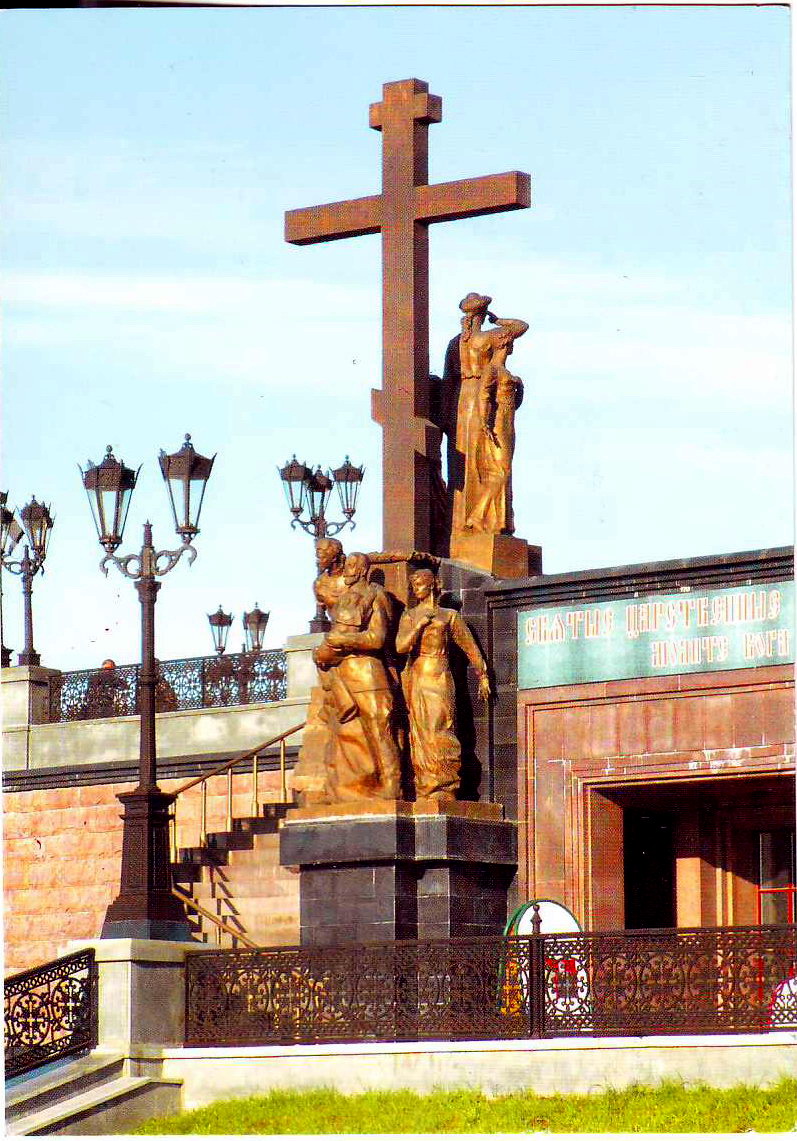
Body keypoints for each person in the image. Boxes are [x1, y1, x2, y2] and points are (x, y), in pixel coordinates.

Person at [313, 552, 402, 801]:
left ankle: (392, 784)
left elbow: (377, 638)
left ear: (362, 570)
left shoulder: (376, 595)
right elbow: (335, 636)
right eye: (347, 565)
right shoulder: (344, 599)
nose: (347, 570)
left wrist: (344, 641)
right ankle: (349, 788)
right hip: (344, 673)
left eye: (352, 566)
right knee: (346, 735)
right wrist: (323, 653)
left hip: (368, 674)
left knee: (380, 732)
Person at [396, 568, 491, 800]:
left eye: (419, 583)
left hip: (440, 675)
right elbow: (401, 647)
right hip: (419, 677)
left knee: (441, 726)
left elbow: (469, 646)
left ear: (432, 585)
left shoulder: (448, 616)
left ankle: (445, 784)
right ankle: (426, 786)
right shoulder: (410, 616)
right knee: (422, 733)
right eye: (413, 585)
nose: (415, 589)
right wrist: (419, 625)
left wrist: (483, 675)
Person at [465, 315, 529, 534]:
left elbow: (515, 404)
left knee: (506, 472)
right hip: (497, 424)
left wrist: (520, 389)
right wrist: (484, 422)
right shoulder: (491, 371)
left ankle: (501, 522)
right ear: (503, 344)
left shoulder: (506, 373)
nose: (512, 345)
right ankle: (477, 515)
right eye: (510, 342)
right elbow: (484, 396)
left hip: (509, 423)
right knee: (502, 472)